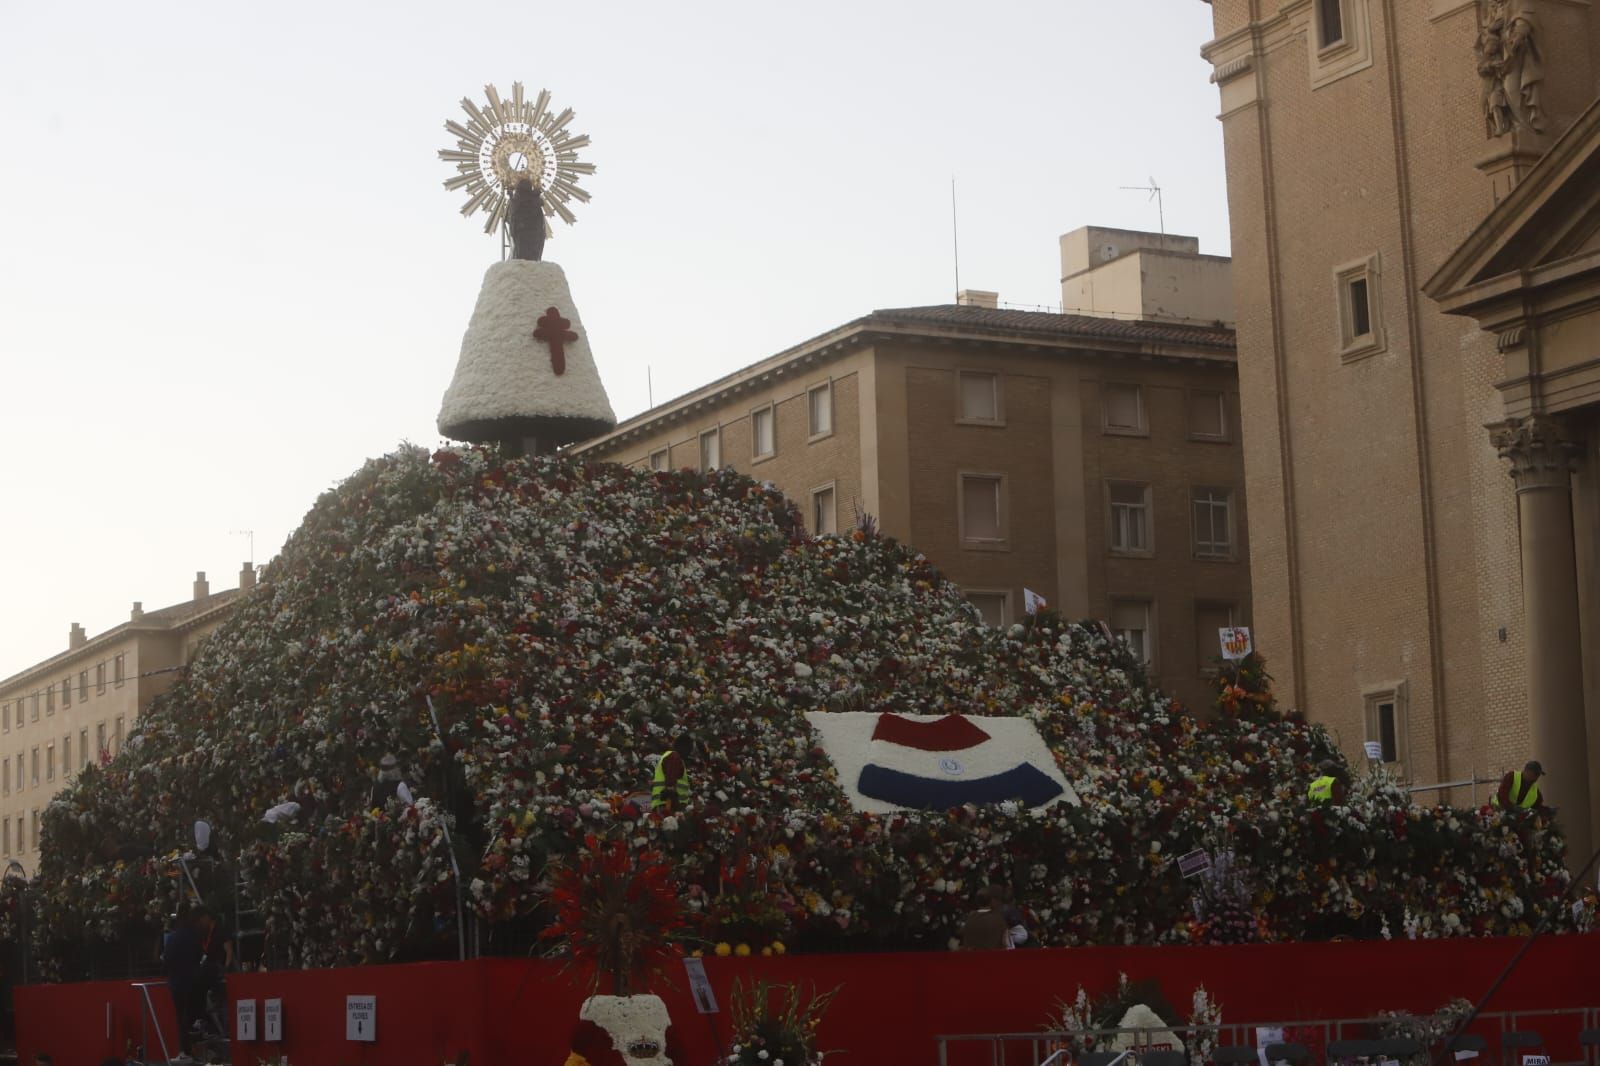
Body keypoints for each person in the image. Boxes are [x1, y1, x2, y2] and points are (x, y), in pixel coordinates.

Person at [162, 907, 203, 1057]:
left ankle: (184, 1050)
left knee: (180, 1018)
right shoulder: (194, 935)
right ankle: (192, 1047)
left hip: (175, 984)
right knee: (191, 1017)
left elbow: (166, 961)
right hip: (191, 982)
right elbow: (199, 955)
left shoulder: (171, 938)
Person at [958, 886, 1012, 950]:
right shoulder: (999, 920)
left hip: (973, 959)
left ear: (977, 901)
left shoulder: (969, 919)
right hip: (994, 958)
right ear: (991, 901)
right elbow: (1008, 945)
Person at [650, 734, 694, 813]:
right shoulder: (674, 757)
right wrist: (670, 808)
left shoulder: (669, 756)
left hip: (662, 802)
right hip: (668, 804)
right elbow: (670, 784)